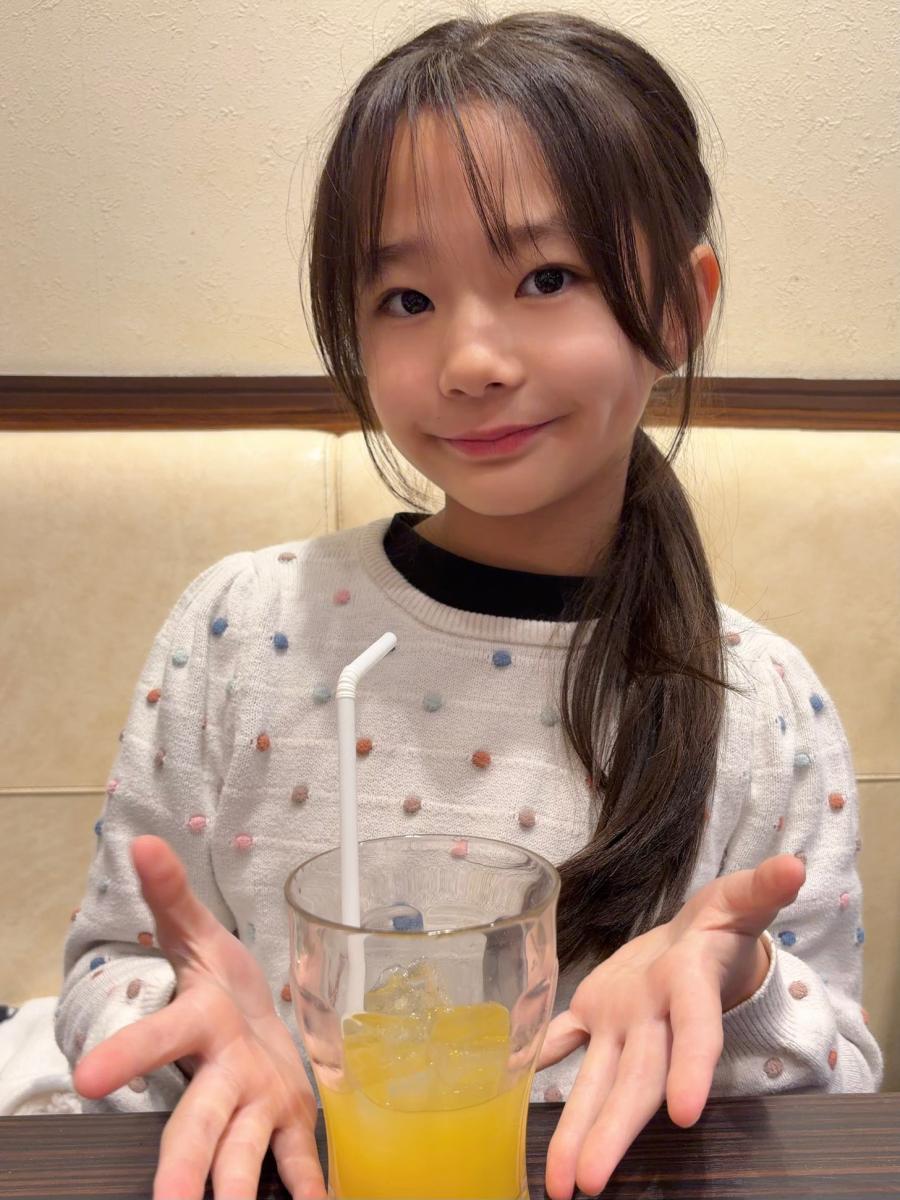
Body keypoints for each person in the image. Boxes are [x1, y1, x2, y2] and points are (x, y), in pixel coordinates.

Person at [55, 9, 883, 1200]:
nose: (470, 360)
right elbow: (110, 970)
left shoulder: (763, 707)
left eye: (546, 278)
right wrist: (197, 1037)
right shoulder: (239, 628)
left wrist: (740, 984)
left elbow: (842, 1082)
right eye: (406, 299)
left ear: (680, 305)